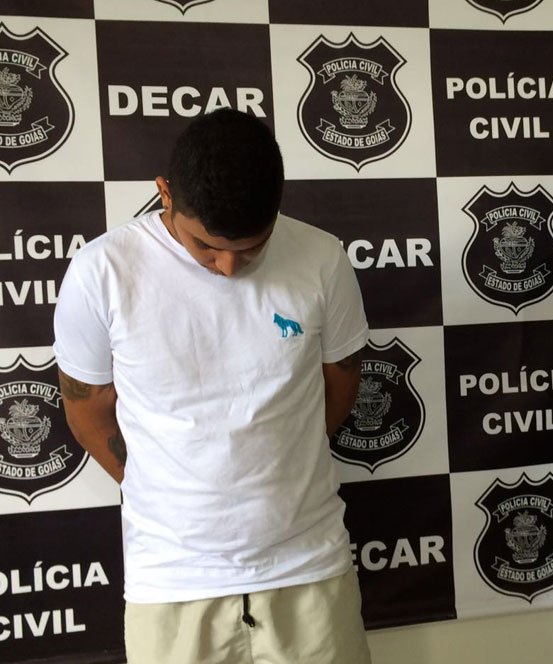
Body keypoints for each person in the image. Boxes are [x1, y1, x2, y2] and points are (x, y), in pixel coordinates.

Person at [53, 108, 372, 664]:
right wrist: (166, 488)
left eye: (253, 247)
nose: (227, 267)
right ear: (164, 194)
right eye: (205, 245)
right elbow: (87, 410)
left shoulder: (322, 258)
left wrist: (280, 462)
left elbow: (341, 385)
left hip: (309, 567)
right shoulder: (101, 271)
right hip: (172, 581)